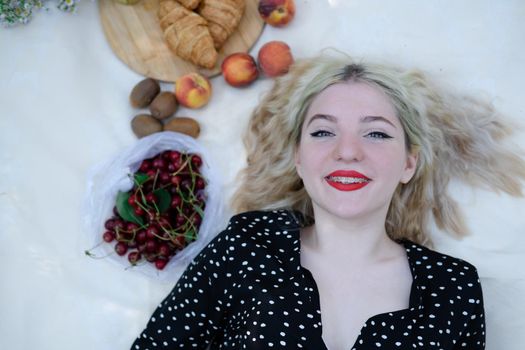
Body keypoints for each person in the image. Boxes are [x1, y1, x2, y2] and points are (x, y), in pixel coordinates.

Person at [130, 54, 525, 349]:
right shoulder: (246, 248)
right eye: (322, 132)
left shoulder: (454, 288)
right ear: (299, 158)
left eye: (376, 134)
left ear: (409, 162)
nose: (348, 151)